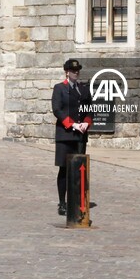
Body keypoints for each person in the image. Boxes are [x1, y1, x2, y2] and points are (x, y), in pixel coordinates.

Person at [51, 58, 92, 216]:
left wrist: (86, 123)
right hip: (65, 134)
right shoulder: (59, 88)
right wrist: (73, 124)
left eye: (77, 70)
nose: (76, 72)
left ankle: (77, 200)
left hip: (80, 135)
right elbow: (57, 110)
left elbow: (90, 110)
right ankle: (62, 202)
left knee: (79, 169)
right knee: (64, 169)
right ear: (67, 72)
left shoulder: (84, 89)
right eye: (73, 70)